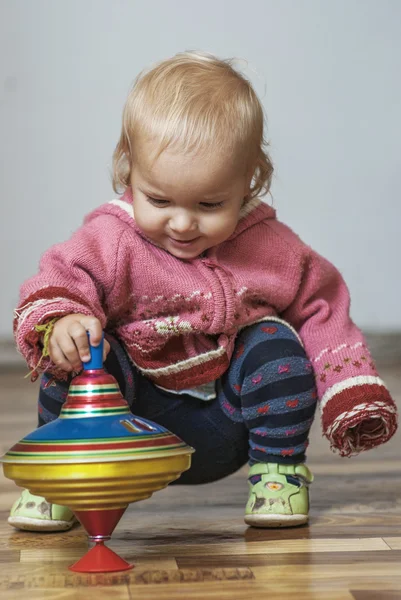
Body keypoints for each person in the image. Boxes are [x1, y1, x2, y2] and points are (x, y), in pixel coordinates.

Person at [9, 51, 397, 533]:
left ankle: (278, 474)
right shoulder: (112, 240)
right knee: (78, 353)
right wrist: (63, 322)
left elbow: (324, 306)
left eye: (211, 203)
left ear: (251, 180)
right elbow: (63, 278)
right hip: (125, 422)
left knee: (275, 344)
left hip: (229, 427)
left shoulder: (270, 247)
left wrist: (350, 387)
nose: (183, 223)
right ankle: (63, 478)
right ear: (127, 169)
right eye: (159, 199)